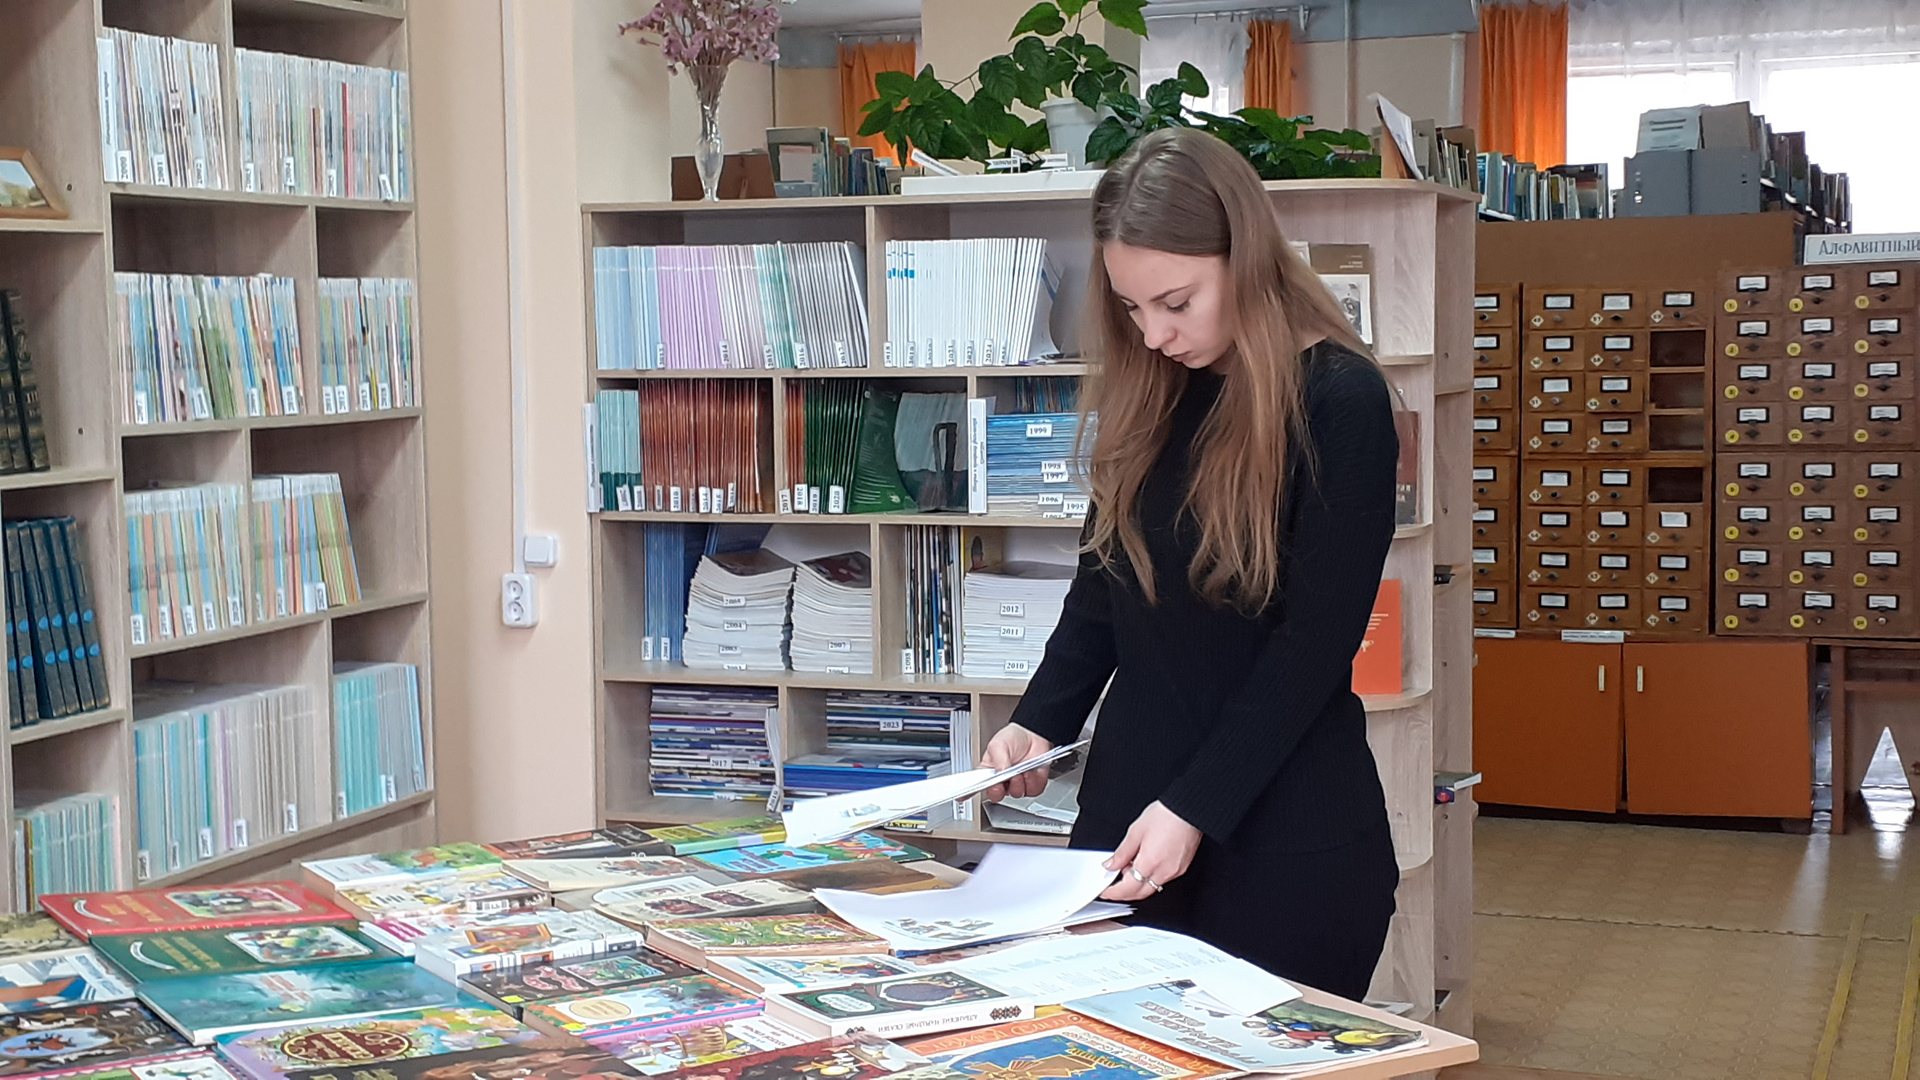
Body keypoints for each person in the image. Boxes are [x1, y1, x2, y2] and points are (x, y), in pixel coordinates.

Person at [979, 127, 1401, 1000]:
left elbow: (1313, 648)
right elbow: (1105, 584)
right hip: (1132, 824)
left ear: (1245, 258)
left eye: (1175, 301)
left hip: (1285, 841)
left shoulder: (1340, 399)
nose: (1155, 333)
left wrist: (1195, 807)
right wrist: (1039, 721)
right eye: (1133, 308)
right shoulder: (1155, 391)